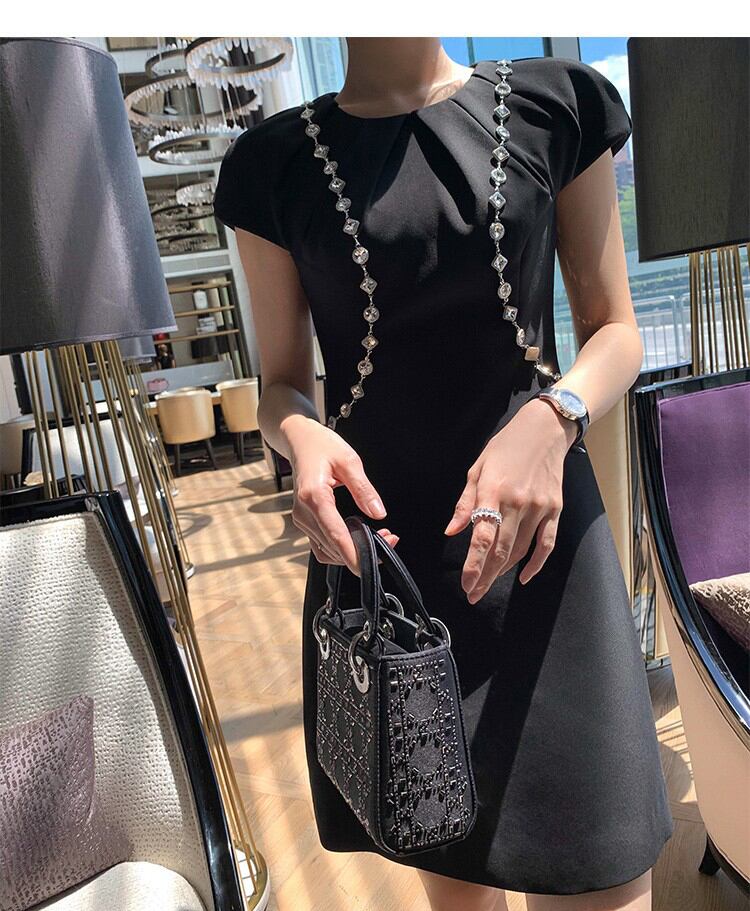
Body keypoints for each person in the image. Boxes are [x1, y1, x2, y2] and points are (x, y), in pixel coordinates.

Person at [212, 37, 673, 911]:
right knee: (455, 882)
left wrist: (555, 415)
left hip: (547, 555)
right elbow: (282, 384)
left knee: (603, 866)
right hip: (394, 573)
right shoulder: (271, 164)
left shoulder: (555, 106)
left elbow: (615, 329)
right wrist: (300, 436)